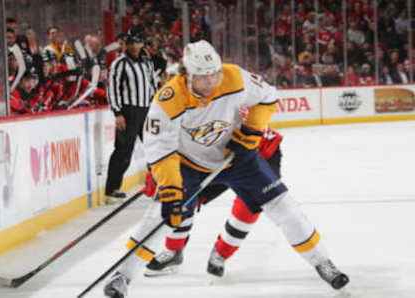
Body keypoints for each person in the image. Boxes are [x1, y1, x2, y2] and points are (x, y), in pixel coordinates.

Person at [103, 40, 349, 298]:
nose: (211, 82)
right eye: (203, 77)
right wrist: (172, 187)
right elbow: (160, 150)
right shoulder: (168, 99)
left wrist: (252, 131)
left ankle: (322, 262)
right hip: (189, 164)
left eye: (214, 74)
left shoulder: (234, 77)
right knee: (160, 216)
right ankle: (123, 275)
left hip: (236, 158)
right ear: (187, 75)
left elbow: (268, 97)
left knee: (284, 206)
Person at [144, 128, 283, 278]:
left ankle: (221, 254)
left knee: (248, 206)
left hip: (257, 150)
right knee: (182, 194)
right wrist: (159, 172)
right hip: (211, 150)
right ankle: (173, 250)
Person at [105, 31, 158, 204]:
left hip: (146, 110)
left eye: (138, 42)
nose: (135, 46)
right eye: (132, 43)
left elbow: (152, 86)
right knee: (123, 150)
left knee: (155, 147)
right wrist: (118, 113)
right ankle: (112, 189)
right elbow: (113, 88)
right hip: (128, 111)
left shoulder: (146, 62)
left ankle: (159, 183)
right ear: (126, 45)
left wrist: (157, 108)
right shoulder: (119, 63)